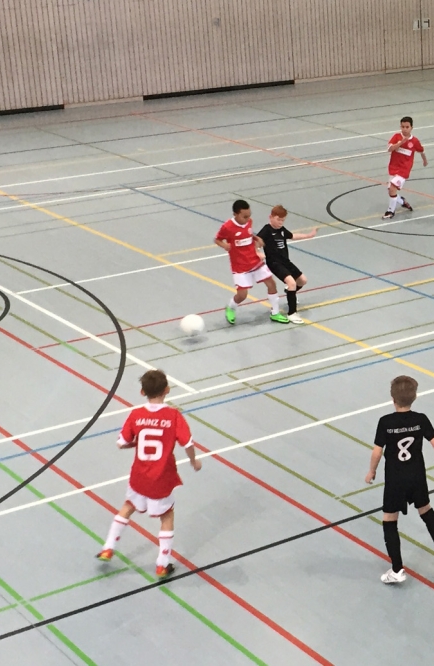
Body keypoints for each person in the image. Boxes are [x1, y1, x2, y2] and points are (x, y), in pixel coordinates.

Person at [96, 370, 202, 578]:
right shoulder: (173, 416)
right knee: (167, 516)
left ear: (142, 392)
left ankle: (108, 548)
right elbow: (187, 443)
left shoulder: (136, 415)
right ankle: (162, 563)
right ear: (167, 390)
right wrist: (193, 461)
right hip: (161, 478)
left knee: (128, 507)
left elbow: (121, 443)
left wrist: (136, 443)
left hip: (139, 477)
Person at [365, 375, 434, 584]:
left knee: (390, 519)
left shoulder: (385, 422)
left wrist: (371, 471)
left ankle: (397, 570)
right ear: (414, 397)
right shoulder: (420, 419)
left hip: (395, 479)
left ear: (393, 399)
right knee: (426, 511)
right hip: (417, 476)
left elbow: (377, 452)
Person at [215, 200, 290, 325]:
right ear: (235, 214)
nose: (247, 219)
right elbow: (217, 239)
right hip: (240, 266)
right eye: (244, 216)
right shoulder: (227, 227)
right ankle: (231, 307)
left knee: (271, 283)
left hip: (254, 261)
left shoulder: (249, 221)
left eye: (249, 215)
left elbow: (248, 234)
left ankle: (275, 313)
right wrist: (224, 245)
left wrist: (256, 238)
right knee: (242, 295)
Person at [257, 205, 317, 325]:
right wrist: (257, 253)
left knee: (302, 281)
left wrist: (309, 235)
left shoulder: (282, 230)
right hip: (274, 263)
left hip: (285, 261)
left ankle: (289, 292)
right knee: (292, 283)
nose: (280, 223)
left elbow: (293, 236)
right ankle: (292, 313)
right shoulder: (266, 230)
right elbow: (256, 243)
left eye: (283, 220)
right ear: (271, 217)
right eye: (278, 220)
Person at [383, 116, 427, 220]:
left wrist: (424, 160)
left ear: (411, 127)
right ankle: (402, 201)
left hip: (404, 170)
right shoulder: (396, 137)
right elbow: (389, 149)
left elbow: (421, 151)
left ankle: (390, 211)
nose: (405, 129)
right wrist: (400, 143)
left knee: (392, 188)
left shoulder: (415, 141)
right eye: (403, 127)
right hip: (393, 167)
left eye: (407, 127)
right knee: (391, 191)